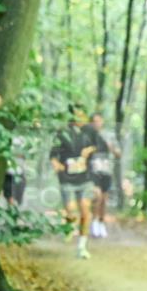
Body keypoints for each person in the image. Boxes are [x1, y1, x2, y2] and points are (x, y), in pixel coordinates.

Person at [50, 105, 96, 259]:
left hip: (84, 178)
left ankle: (81, 247)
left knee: (85, 210)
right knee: (71, 211)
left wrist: (87, 152)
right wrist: (58, 166)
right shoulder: (62, 134)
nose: (80, 119)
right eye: (77, 116)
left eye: (82, 115)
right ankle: (68, 225)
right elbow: (53, 156)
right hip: (67, 179)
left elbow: (98, 146)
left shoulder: (89, 132)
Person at [86, 112, 120, 238]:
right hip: (93, 170)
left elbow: (118, 153)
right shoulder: (87, 136)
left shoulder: (109, 136)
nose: (96, 123)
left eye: (99, 121)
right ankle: (94, 222)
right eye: (94, 121)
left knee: (104, 199)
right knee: (97, 196)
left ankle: (101, 222)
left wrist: (111, 148)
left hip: (107, 170)